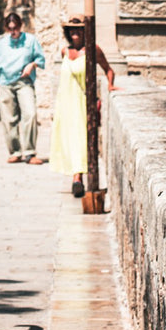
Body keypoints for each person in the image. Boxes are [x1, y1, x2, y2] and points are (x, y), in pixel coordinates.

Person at [49, 14, 117, 198]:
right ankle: (76, 175)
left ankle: (77, 178)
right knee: (68, 139)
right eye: (72, 29)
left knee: (80, 139)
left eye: (78, 29)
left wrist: (110, 86)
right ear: (67, 32)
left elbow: (109, 70)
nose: (75, 32)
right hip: (65, 103)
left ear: (85, 32)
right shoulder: (64, 52)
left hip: (83, 102)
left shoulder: (93, 50)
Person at [0, 12, 45, 165]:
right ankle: (15, 151)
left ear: (21, 26)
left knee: (30, 114)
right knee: (9, 119)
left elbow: (40, 59)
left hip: (24, 82)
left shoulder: (30, 40)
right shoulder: (2, 43)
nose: (13, 31)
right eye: (10, 29)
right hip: (5, 83)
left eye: (15, 28)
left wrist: (31, 65)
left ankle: (30, 152)